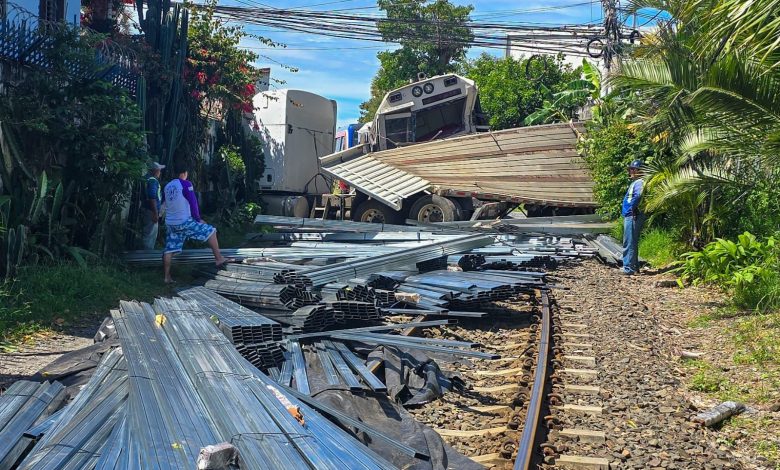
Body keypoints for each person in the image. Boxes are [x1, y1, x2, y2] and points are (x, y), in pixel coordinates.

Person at [162, 164, 231, 283]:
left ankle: (167, 277)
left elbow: (162, 204)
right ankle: (219, 259)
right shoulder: (185, 184)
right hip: (183, 221)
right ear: (184, 173)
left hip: (170, 223)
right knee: (211, 231)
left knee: (169, 249)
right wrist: (198, 219)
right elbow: (193, 202)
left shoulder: (167, 186)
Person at [621, 159, 645, 275]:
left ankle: (628, 268)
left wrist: (632, 208)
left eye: (633, 169)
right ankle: (634, 267)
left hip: (633, 215)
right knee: (632, 241)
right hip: (631, 214)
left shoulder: (640, 182)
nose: (631, 171)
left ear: (639, 170)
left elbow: (638, 195)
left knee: (629, 241)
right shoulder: (636, 182)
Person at [141, 162, 165, 250]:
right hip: (151, 211)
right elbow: (152, 197)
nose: (160, 172)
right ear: (155, 171)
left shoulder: (146, 178)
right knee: (150, 235)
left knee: (148, 233)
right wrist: (155, 213)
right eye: (159, 170)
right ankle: (146, 256)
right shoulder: (152, 181)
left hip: (147, 209)